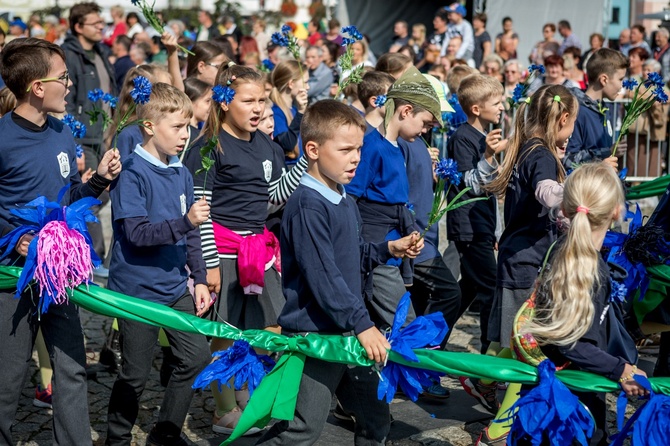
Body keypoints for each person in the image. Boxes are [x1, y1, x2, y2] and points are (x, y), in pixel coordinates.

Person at [256, 99, 423, 446]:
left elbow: (352, 253)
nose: (356, 158)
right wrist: (363, 325)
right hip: (318, 337)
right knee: (301, 430)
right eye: (346, 149)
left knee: (375, 419)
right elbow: (323, 276)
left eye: (359, 149)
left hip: (347, 332)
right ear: (312, 149)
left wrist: (388, 249)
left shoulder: (343, 196)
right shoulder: (307, 205)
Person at [0, 37, 121, 445]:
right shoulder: (1, 139)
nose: (70, 85)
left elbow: (69, 198)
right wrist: (13, 239)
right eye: (64, 77)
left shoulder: (61, 134)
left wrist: (99, 180)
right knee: (8, 377)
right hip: (11, 279)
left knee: (71, 368)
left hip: (60, 274)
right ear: (37, 86)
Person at [182, 64, 307, 434]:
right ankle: (223, 410)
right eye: (247, 100)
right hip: (221, 252)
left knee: (271, 325)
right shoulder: (209, 147)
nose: (257, 108)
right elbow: (200, 210)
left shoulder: (267, 146)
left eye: (263, 100)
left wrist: (305, 164)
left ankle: (246, 389)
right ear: (223, 103)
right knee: (224, 331)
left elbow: (273, 198)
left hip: (257, 252)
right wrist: (210, 267)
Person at [463, 85, 580, 443]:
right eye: (573, 122)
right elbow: (546, 192)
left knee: (512, 335)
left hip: (516, 258)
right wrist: (580, 197)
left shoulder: (527, 145)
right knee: (526, 351)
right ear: (562, 119)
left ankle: (479, 380)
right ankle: (497, 432)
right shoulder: (541, 155)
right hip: (528, 263)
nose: (573, 129)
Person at [105, 82, 211, 446]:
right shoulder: (132, 171)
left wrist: (198, 278)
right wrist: (186, 222)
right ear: (149, 126)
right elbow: (136, 234)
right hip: (136, 291)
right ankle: (117, 439)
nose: (186, 135)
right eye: (178, 127)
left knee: (196, 358)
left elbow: (192, 236)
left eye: (188, 127)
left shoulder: (181, 170)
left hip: (173, 287)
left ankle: (164, 433)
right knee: (135, 374)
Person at [521, 162, 648, 445]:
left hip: (559, 403)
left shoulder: (562, 253)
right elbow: (572, 343)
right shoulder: (589, 270)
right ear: (616, 211)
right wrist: (621, 370)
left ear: (565, 208)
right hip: (574, 412)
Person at [346, 66, 444, 329]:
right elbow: (350, 200)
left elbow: (397, 201)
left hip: (390, 252)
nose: (424, 131)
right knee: (405, 325)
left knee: (388, 327)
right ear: (406, 111)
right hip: (375, 253)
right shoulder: (372, 146)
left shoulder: (397, 148)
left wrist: (410, 234)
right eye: (425, 123)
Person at [447, 74, 506, 355]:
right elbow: (467, 184)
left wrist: (495, 230)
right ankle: (488, 359)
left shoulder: (486, 137)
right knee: (492, 292)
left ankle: (428, 341)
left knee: (462, 295)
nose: (502, 106)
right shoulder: (462, 137)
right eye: (497, 102)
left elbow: (491, 192)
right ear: (476, 109)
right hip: (468, 227)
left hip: (482, 227)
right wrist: (489, 157)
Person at [62, 2, 117, 264]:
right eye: (95, 23)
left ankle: (95, 256)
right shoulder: (69, 55)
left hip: (104, 136)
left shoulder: (100, 52)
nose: (101, 27)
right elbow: (67, 103)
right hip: (84, 138)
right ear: (78, 26)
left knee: (107, 192)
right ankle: (92, 258)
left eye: (102, 23)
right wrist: (75, 147)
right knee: (92, 196)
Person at [564, 48, 628, 169]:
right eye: (620, 79)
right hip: (586, 186)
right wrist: (607, 152)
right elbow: (567, 159)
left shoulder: (604, 108)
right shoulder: (578, 111)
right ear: (604, 80)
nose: (622, 85)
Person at [625, 58, 668, 177]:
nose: (645, 72)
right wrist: (650, 98)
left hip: (653, 128)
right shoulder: (637, 80)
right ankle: (633, 183)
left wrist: (653, 98)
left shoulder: (659, 84)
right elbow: (628, 93)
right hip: (636, 127)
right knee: (633, 157)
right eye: (644, 69)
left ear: (657, 72)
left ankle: (651, 182)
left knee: (652, 156)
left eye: (649, 70)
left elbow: (667, 96)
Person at [269, 60, 309, 162]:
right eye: (305, 82)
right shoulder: (275, 112)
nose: (308, 87)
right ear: (291, 84)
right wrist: (300, 113)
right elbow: (288, 144)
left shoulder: (294, 110)